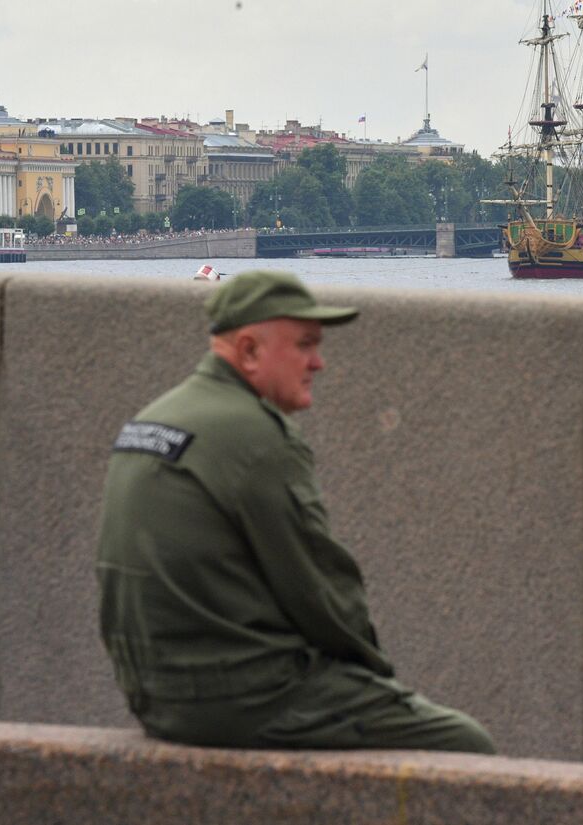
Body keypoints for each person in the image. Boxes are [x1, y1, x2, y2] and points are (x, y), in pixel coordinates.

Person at [96, 270, 494, 753]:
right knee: (466, 746)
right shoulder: (257, 437)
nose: (318, 363)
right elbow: (318, 588)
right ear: (249, 350)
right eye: (304, 345)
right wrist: (380, 680)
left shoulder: (152, 419)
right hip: (241, 700)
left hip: (152, 695)